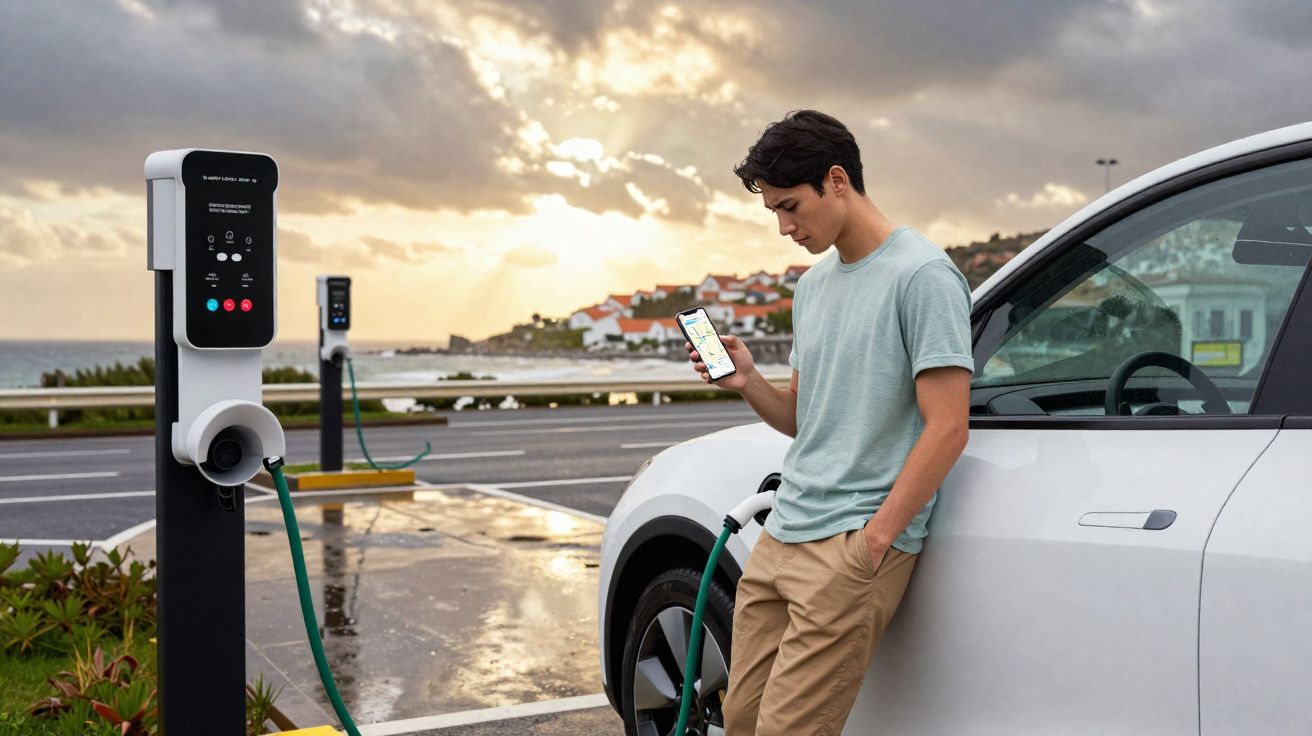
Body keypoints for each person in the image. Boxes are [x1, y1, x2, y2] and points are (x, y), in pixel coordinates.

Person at [683, 109, 974, 735]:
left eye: (791, 207)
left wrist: (874, 544)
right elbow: (804, 421)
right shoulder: (812, 289)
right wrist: (748, 382)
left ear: (837, 180)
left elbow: (948, 426)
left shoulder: (922, 276)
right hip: (783, 534)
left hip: (851, 544)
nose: (785, 228)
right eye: (774, 214)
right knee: (739, 720)